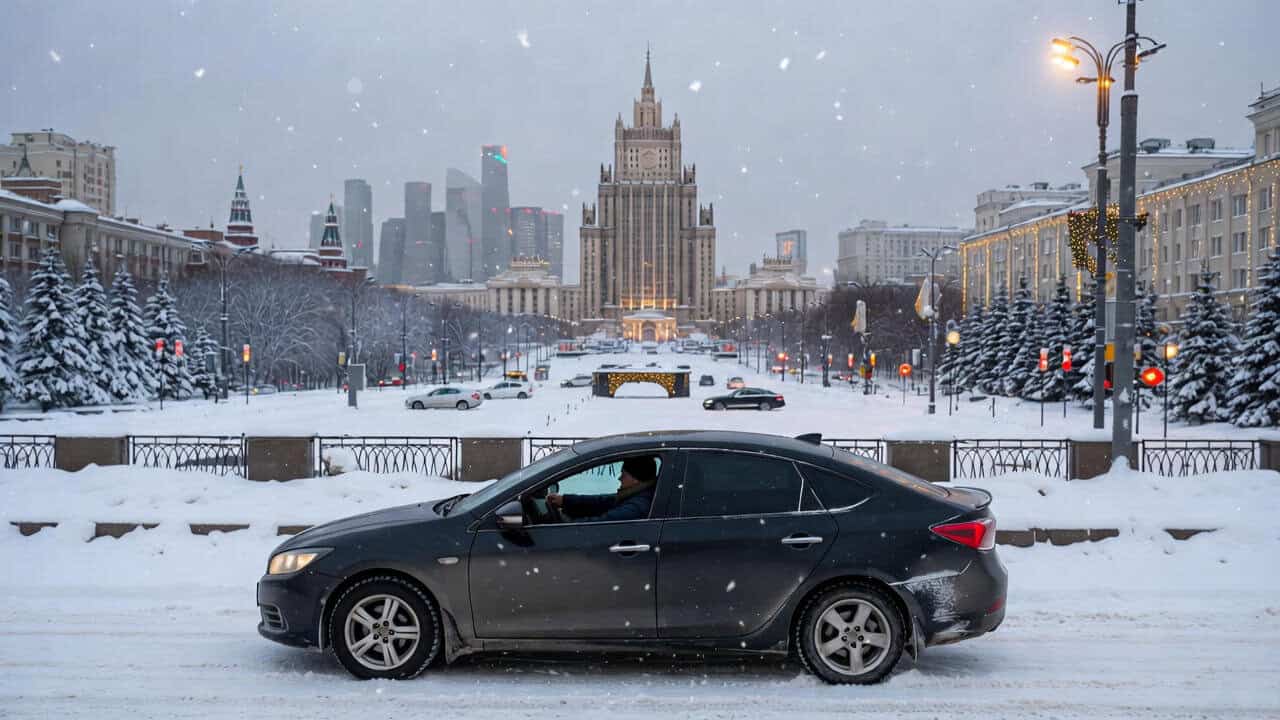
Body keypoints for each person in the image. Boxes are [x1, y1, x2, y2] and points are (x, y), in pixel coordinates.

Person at [547, 456, 657, 522]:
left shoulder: (637, 506)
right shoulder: (638, 494)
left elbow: (602, 522)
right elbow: (602, 501)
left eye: (623, 475)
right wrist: (565, 500)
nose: (619, 478)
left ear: (635, 479)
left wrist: (567, 524)